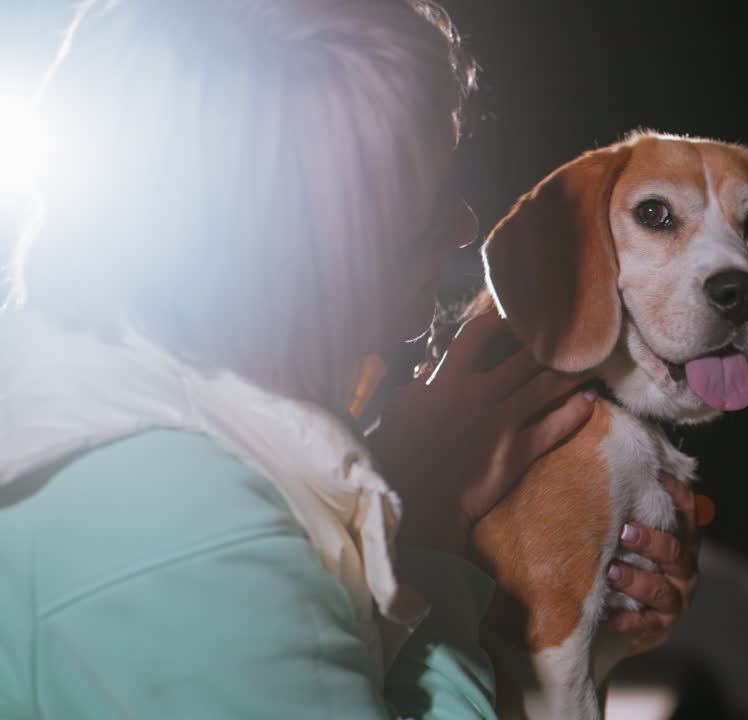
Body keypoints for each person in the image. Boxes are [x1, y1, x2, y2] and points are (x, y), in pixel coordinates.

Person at [0, 1, 698, 717]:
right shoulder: (181, 535)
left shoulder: (143, 449)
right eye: (419, 192)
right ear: (303, 238)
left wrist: (560, 625)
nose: (463, 225)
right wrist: (428, 527)